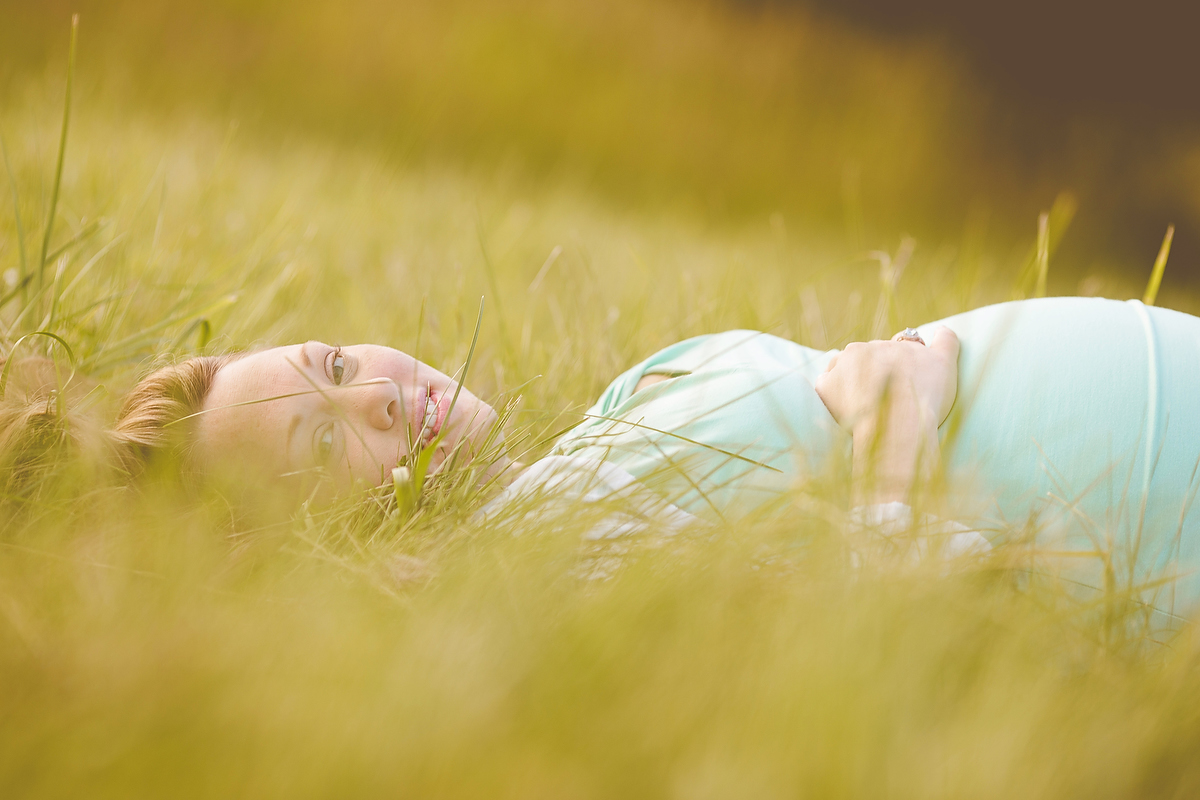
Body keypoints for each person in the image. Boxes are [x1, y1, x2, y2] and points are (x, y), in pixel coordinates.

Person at [56, 296, 1200, 626]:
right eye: (326, 434)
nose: (384, 392)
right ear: (320, 539)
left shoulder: (601, 430)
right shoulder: (535, 583)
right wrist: (896, 430)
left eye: (335, 357)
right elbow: (891, 641)